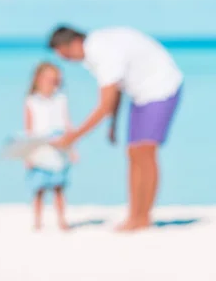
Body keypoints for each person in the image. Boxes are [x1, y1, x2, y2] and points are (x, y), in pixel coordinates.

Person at [48, 26, 183, 232]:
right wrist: (113, 123)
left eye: (65, 54)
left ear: (74, 42)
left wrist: (73, 137)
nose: (67, 60)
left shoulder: (101, 51)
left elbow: (105, 104)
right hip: (140, 94)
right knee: (133, 153)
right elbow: (115, 89)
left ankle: (142, 217)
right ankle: (136, 215)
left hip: (161, 87)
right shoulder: (96, 50)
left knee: (145, 152)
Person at [24, 61, 77, 230]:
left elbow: (67, 124)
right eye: (50, 80)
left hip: (59, 147)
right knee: (38, 188)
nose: (53, 84)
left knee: (58, 187)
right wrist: (28, 154)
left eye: (56, 81)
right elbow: (29, 129)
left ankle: (62, 219)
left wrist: (72, 148)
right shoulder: (31, 101)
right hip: (39, 147)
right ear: (38, 79)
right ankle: (37, 221)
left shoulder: (61, 99)